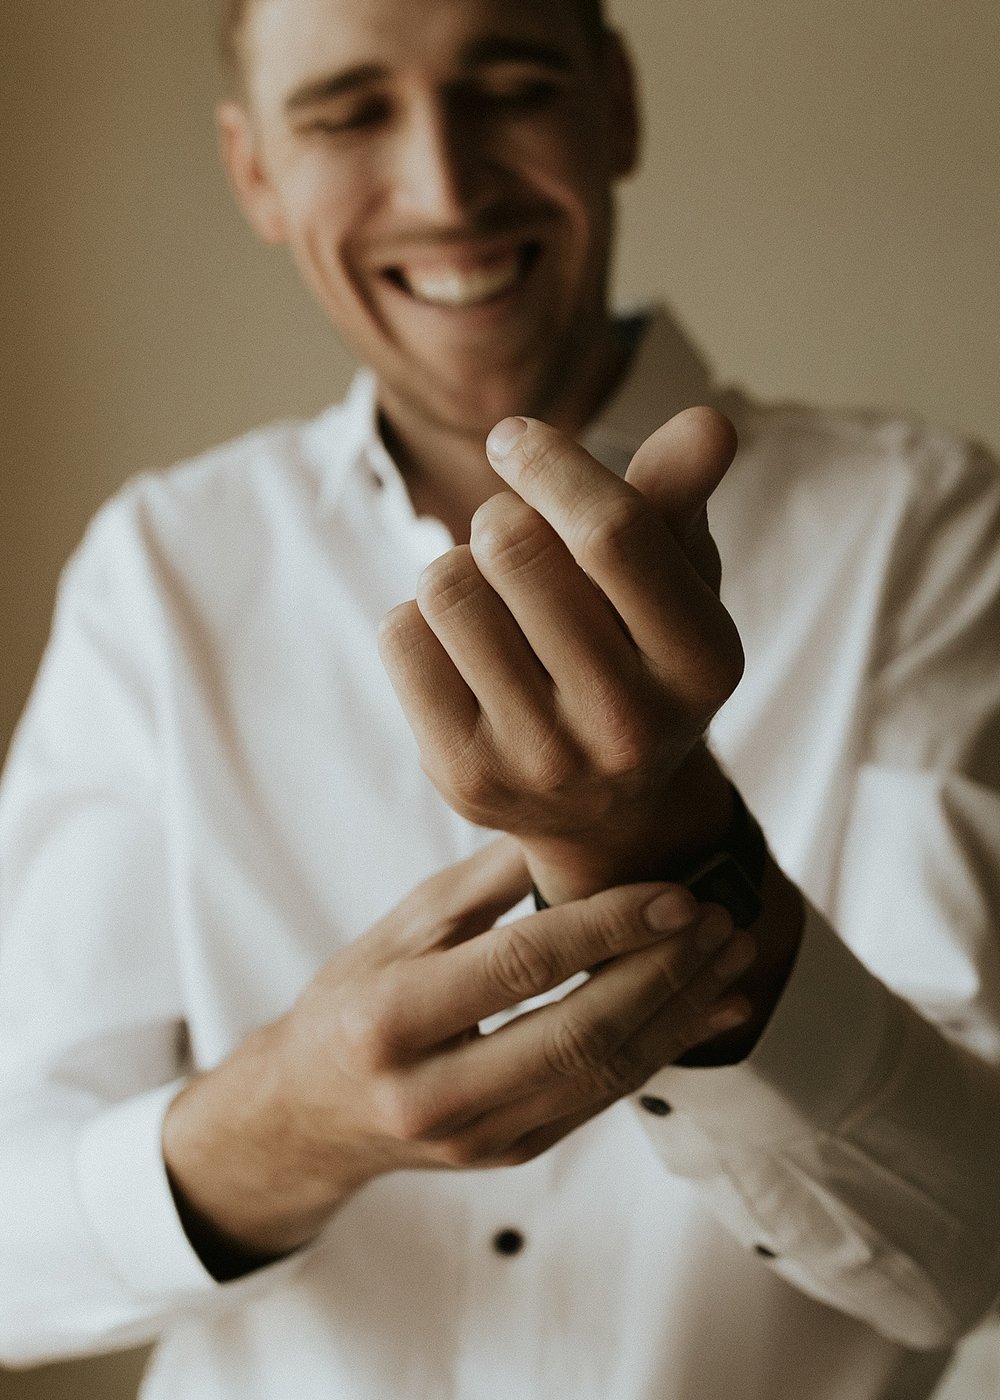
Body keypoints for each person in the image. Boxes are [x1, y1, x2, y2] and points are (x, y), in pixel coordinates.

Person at [1, 0, 1000, 1395]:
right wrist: (285, 1124)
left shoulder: (925, 531)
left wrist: (671, 848)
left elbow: (965, 1255)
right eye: (348, 113)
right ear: (256, 173)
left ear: (618, 106)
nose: (446, 185)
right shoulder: (160, 568)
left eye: (513, 85)